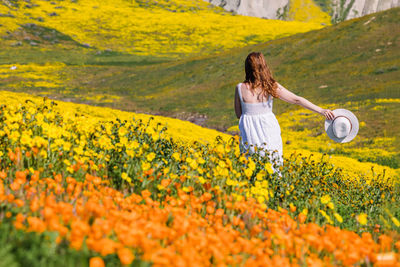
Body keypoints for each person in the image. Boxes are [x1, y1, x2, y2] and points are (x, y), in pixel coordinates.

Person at [234, 52, 335, 171]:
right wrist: (321, 111)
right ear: (264, 66)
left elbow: (239, 114)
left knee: (250, 168)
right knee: (273, 167)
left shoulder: (240, 88)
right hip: (269, 133)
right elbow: (296, 99)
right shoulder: (270, 86)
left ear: (247, 68)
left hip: (249, 136)